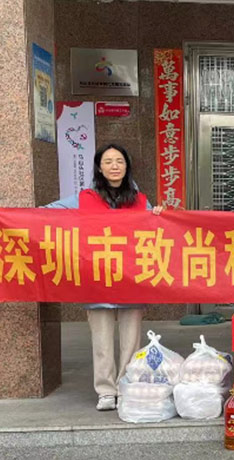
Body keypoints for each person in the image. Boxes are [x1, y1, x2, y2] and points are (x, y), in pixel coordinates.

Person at [45, 144, 163, 411]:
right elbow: (46, 213)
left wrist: (157, 215)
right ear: (99, 167)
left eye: (119, 160)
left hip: (131, 277)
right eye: (108, 161)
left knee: (131, 340)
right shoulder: (83, 198)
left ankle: (126, 385)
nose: (114, 166)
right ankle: (106, 391)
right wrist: (16, 218)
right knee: (101, 340)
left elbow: (157, 230)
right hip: (97, 278)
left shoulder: (140, 200)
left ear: (127, 166)